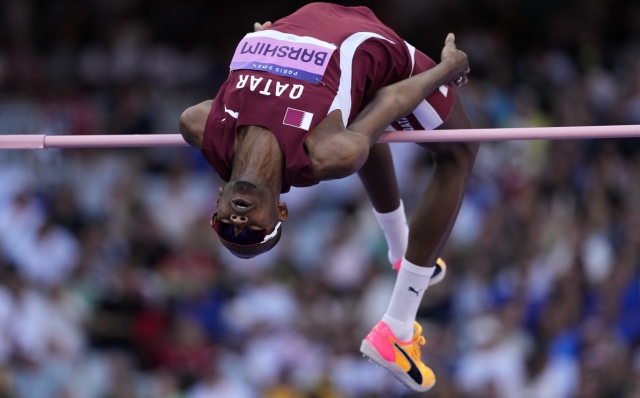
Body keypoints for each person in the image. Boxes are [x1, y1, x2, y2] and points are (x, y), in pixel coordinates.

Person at [179, 3, 478, 392]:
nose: (239, 222)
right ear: (280, 211)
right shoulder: (326, 152)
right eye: (252, 231)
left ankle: (402, 248)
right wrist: (445, 70)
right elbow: (388, 104)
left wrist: (263, 48)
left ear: (218, 199)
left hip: (299, 25)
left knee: (356, 132)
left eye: (227, 227)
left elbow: (231, 94)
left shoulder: (202, 128)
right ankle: (398, 327)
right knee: (460, 151)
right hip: (379, 52)